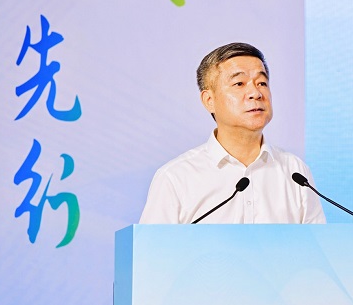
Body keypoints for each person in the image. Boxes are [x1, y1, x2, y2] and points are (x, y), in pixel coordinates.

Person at [139, 42, 326, 224]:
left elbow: (317, 244)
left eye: (262, 83)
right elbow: (152, 246)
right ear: (209, 100)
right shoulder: (176, 178)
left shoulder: (295, 172)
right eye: (239, 83)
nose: (255, 93)